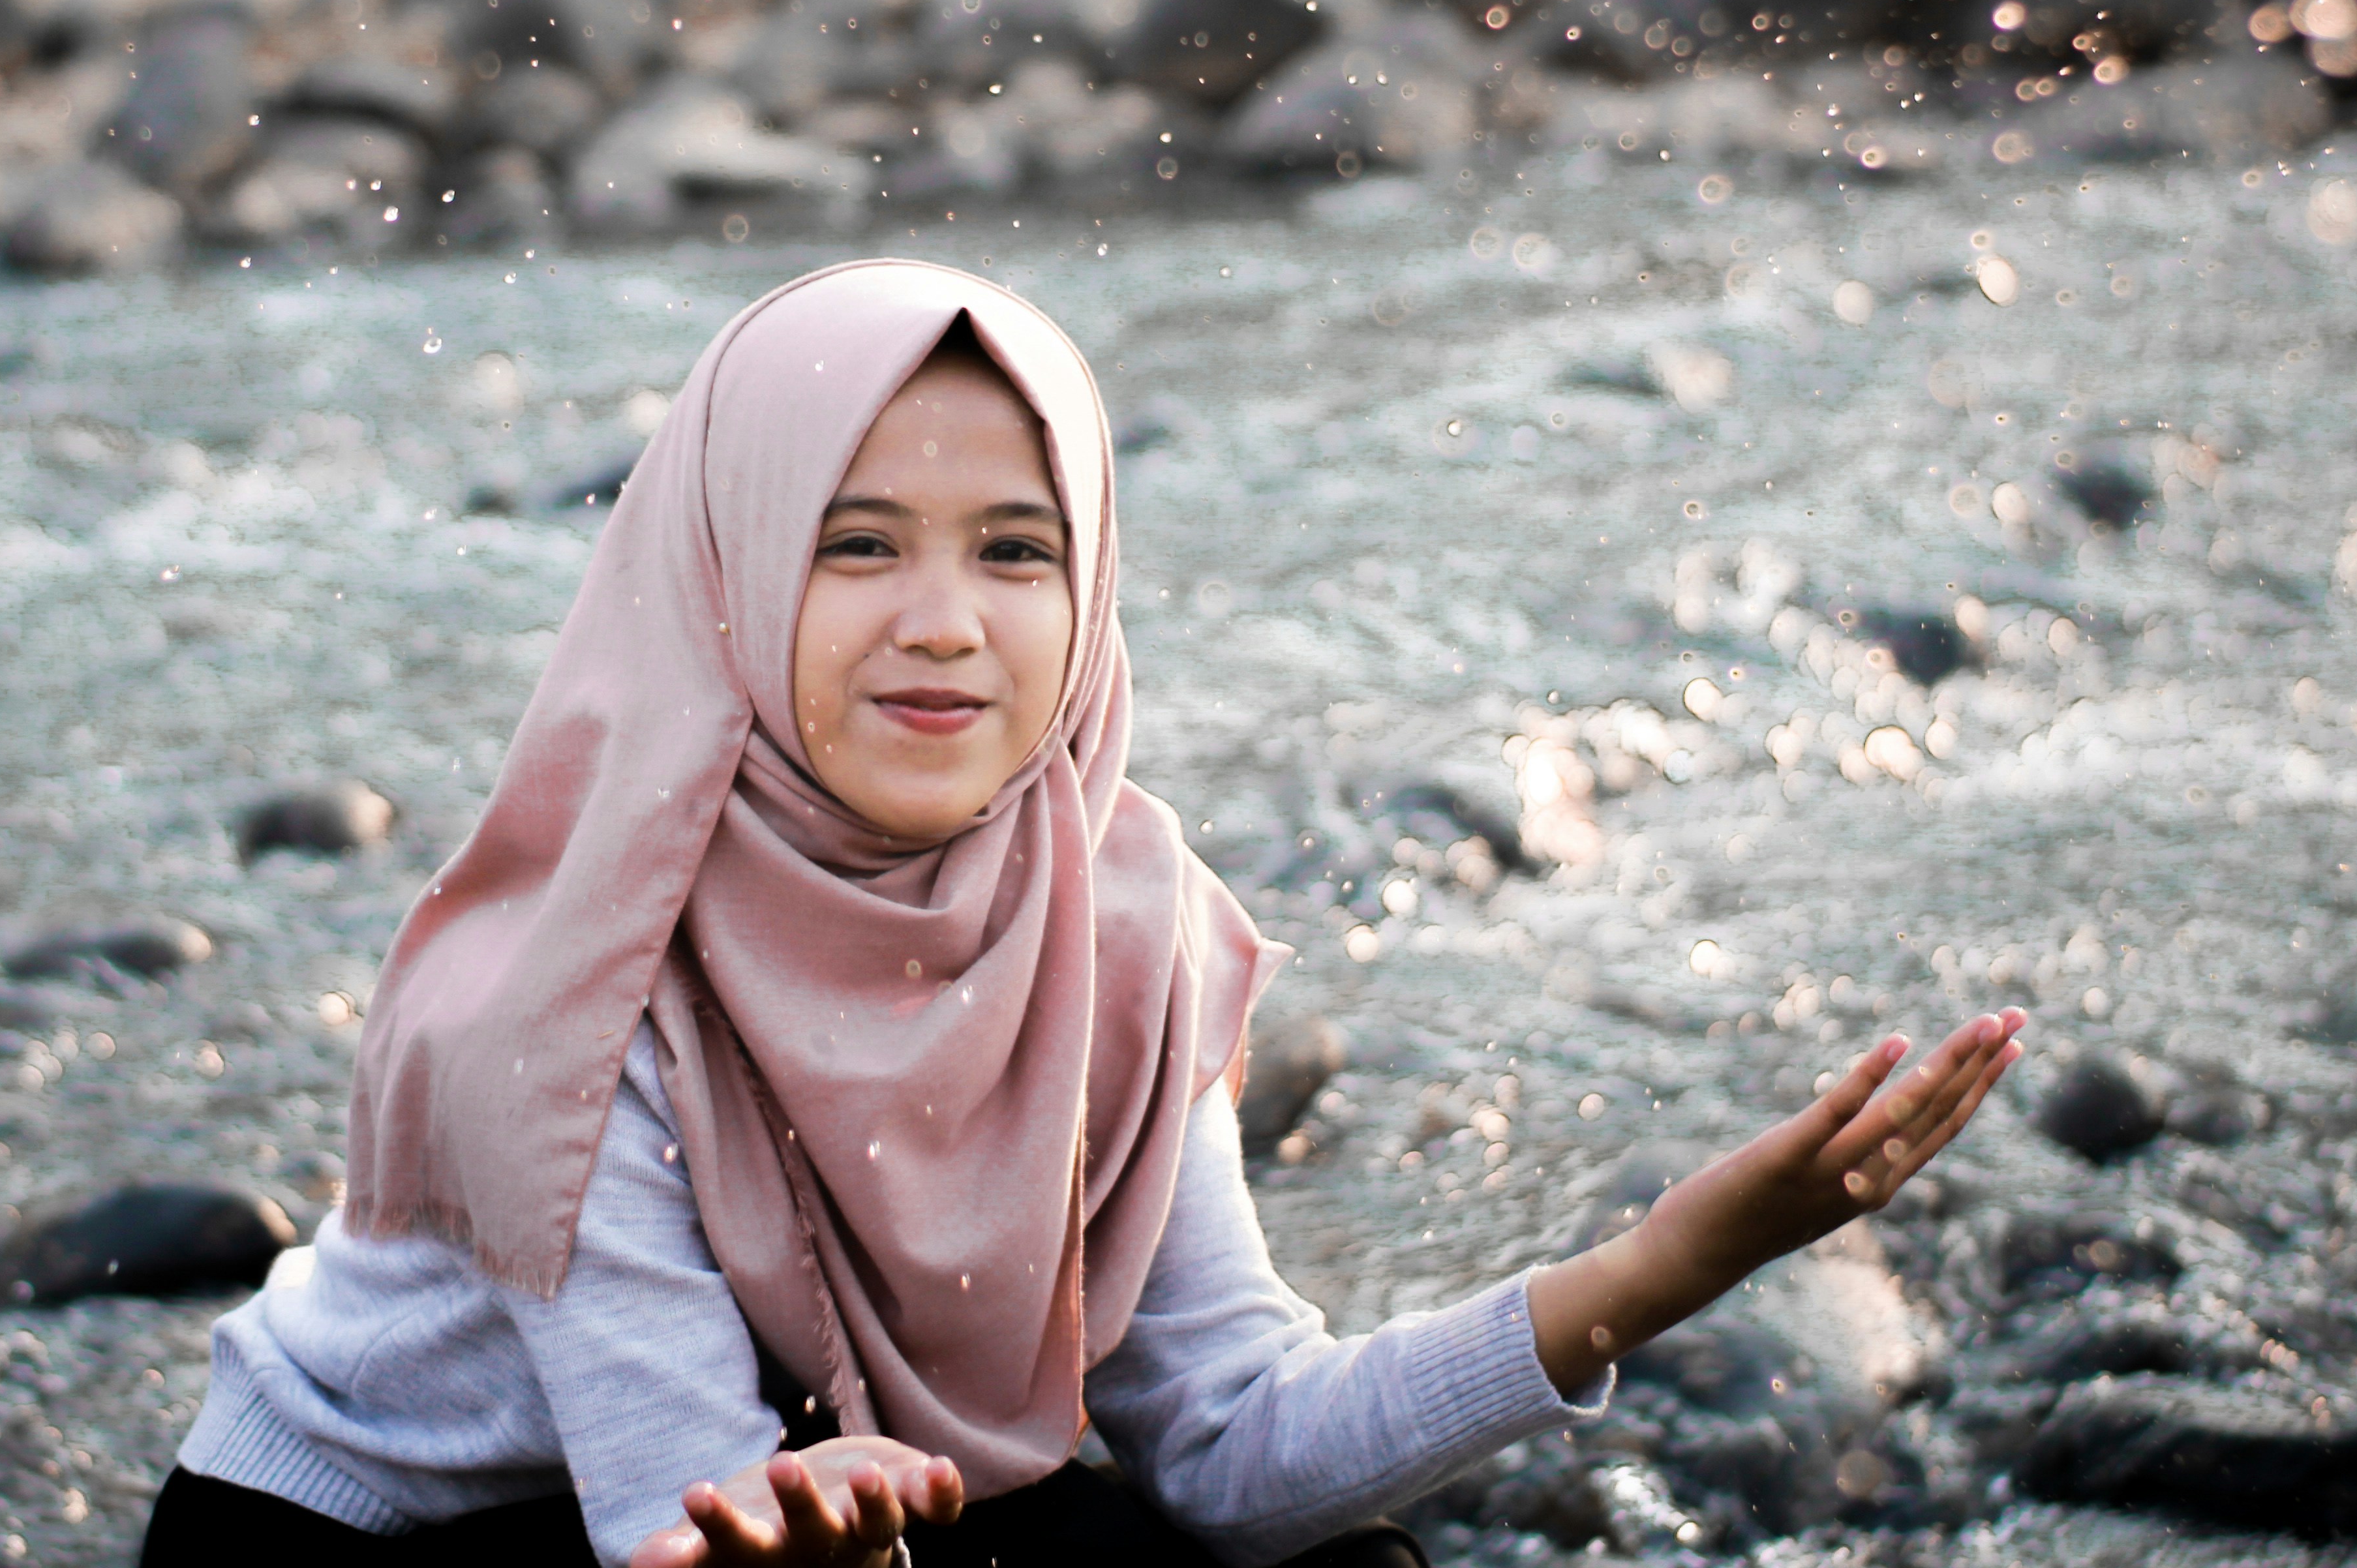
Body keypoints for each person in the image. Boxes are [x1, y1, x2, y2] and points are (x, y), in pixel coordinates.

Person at [142, 260, 2020, 1568]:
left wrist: (1665, 1268)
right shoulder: (564, 988)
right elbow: (677, 1513)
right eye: (853, 544)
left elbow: (1228, 1451)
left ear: (1093, 586)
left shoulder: (1118, 920)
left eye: (1017, 551)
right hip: (394, 1542)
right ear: (719, 580)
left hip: (823, 1492)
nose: (947, 621)